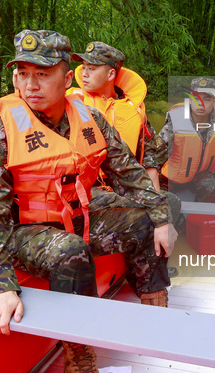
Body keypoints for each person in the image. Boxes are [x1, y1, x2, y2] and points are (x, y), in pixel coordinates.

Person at [0, 30, 176, 373]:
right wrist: (1, 286)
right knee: (70, 251)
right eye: (22, 74)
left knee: (143, 218)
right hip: (26, 230)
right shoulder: (1, 131)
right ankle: (80, 354)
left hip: (79, 213)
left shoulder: (89, 118)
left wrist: (161, 217)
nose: (30, 84)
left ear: (67, 79)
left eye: (42, 74)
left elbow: (128, 172)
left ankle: (155, 302)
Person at [69, 41, 181, 277]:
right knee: (145, 214)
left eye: (93, 67)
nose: (84, 72)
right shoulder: (70, 102)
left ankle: (152, 265)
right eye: (84, 66)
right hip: (88, 188)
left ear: (111, 73)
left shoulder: (135, 109)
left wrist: (157, 200)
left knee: (170, 203)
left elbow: (149, 158)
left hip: (126, 183)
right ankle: (137, 268)